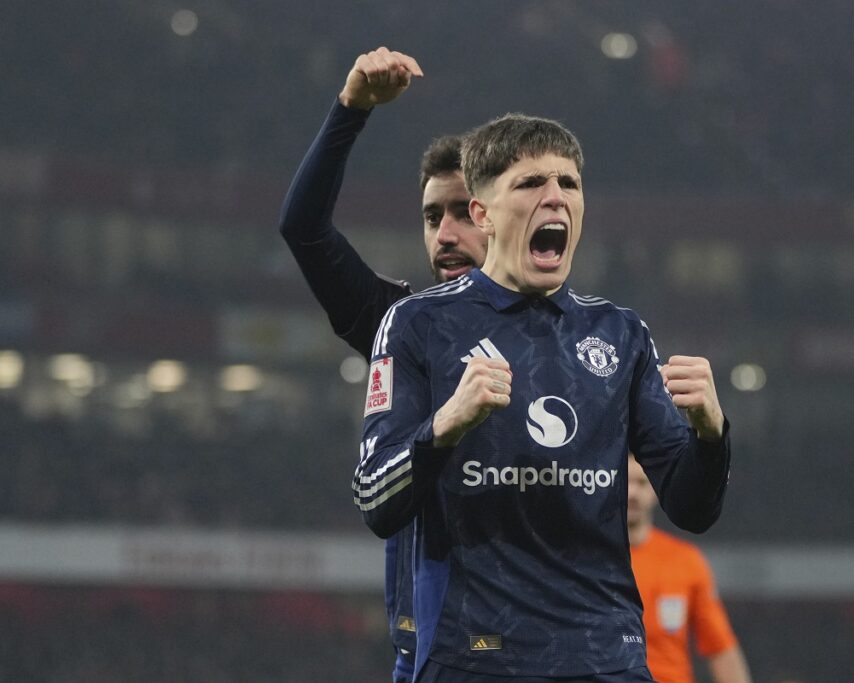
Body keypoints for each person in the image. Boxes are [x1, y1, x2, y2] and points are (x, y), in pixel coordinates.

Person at [355, 112, 731, 681]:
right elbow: (374, 497)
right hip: (476, 657)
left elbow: (692, 508)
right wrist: (446, 424)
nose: (555, 197)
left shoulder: (620, 334)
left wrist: (710, 434)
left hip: (606, 658)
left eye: (569, 184)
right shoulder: (418, 325)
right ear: (481, 213)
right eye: (531, 183)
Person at [278, 47, 487, 683]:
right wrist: (352, 109)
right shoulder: (397, 322)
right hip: (421, 658)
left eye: (462, 211)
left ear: (498, 215)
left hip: (523, 652)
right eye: (431, 216)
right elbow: (303, 228)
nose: (445, 233)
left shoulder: (557, 334)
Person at [627, 455, 752, 683]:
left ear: (655, 487)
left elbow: (720, 647)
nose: (633, 493)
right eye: (625, 482)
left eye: (641, 483)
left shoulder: (685, 561)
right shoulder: (588, 559)